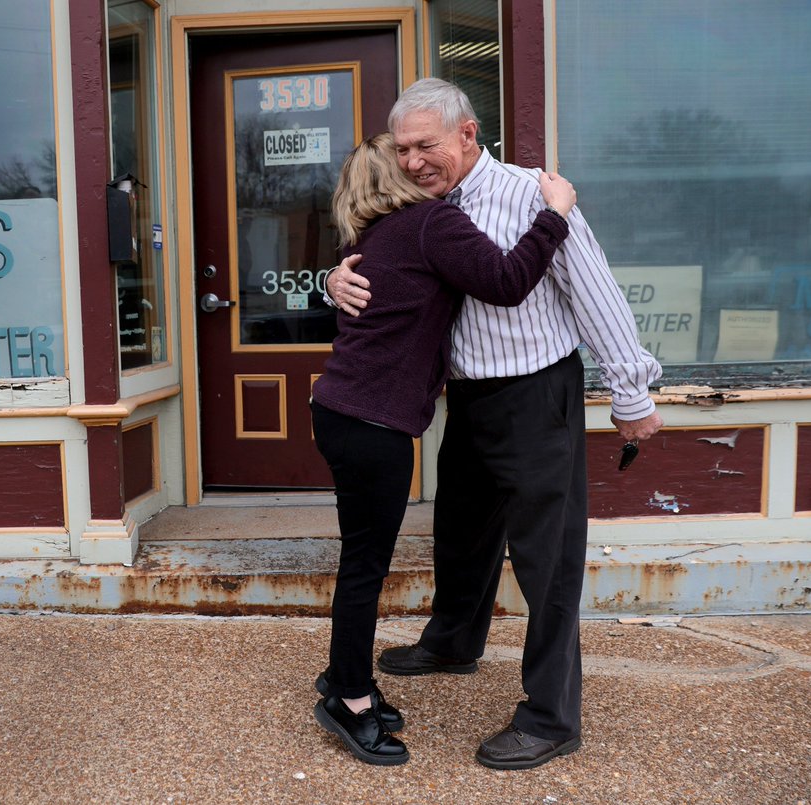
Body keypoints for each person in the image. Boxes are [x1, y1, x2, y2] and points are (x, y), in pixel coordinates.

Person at [325, 78, 665, 771]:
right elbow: (383, 267)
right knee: (462, 531)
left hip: (538, 394)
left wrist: (632, 392)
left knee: (547, 560)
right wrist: (331, 278)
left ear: (468, 134)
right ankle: (452, 640)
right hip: (467, 399)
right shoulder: (421, 207)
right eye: (405, 149)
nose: (415, 160)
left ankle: (550, 716)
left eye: (428, 146)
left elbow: (595, 292)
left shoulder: (530, 196)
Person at [310, 132, 576, 766]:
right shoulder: (429, 223)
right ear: (391, 178)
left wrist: (329, 279)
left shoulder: (368, 240)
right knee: (364, 568)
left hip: (342, 413)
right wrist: (554, 215)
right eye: (403, 160)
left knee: (360, 561)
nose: (416, 166)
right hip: (373, 426)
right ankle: (346, 697)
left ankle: (346, 679)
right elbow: (509, 281)